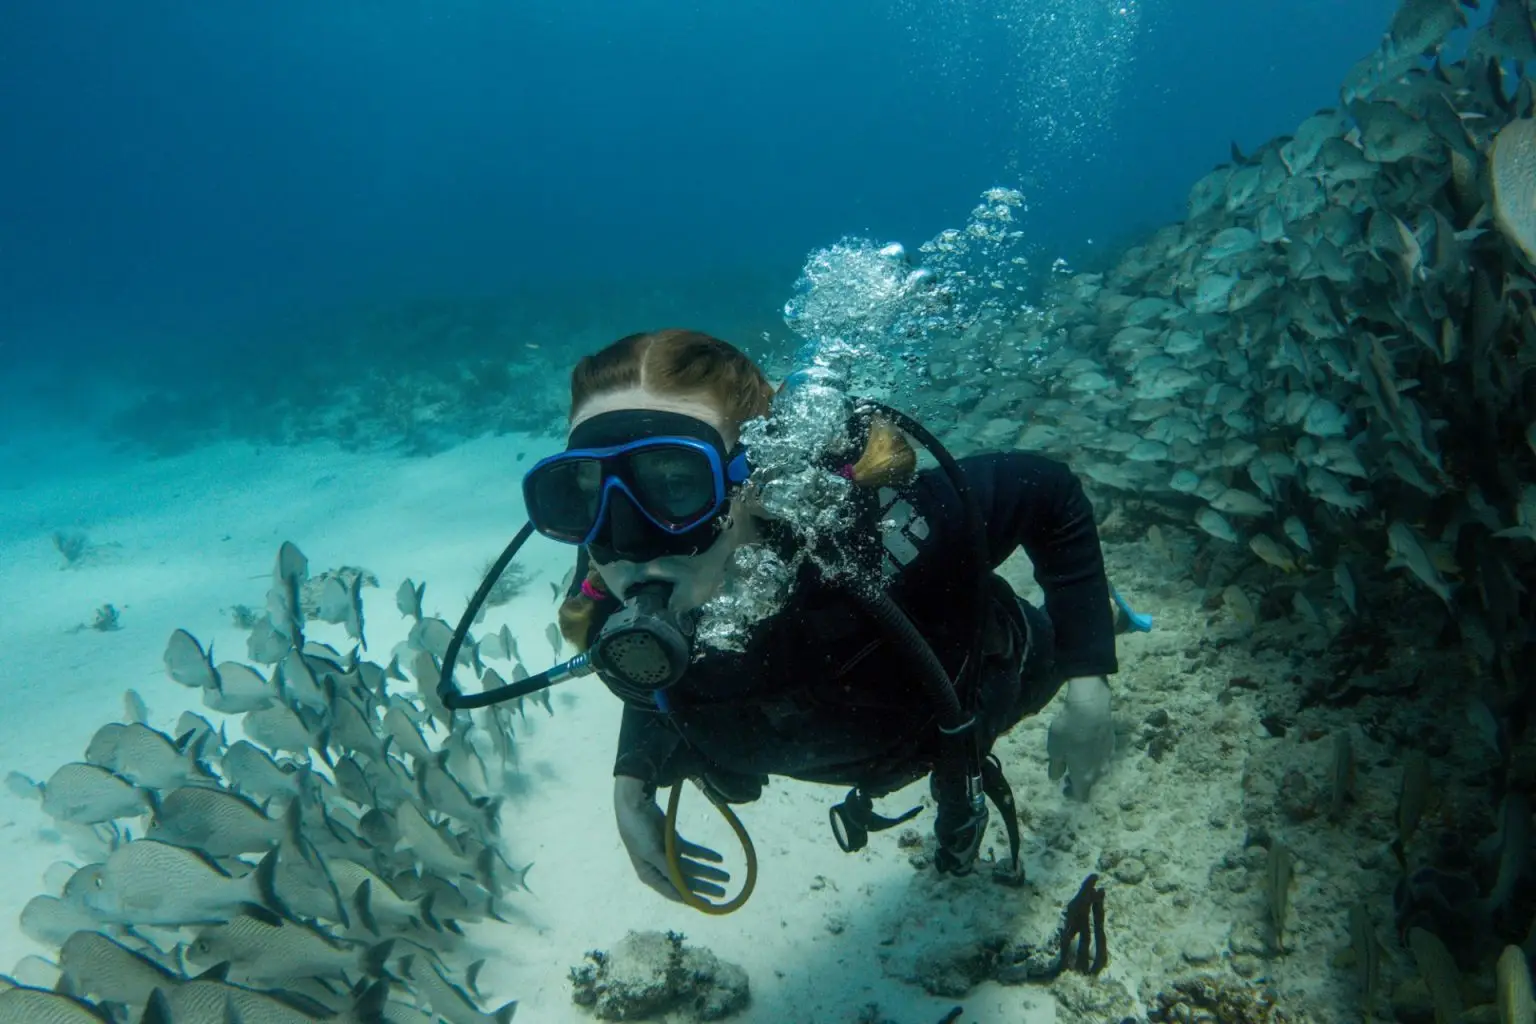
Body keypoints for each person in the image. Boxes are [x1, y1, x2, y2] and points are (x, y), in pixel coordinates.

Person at [527, 328, 1119, 904]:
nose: (627, 541)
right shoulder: (611, 595)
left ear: (755, 476)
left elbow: (1049, 492)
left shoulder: (869, 538)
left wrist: (1088, 680)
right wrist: (632, 784)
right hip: (868, 750)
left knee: (1052, 637)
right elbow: (656, 679)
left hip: (1000, 677)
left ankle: (1113, 618)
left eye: (677, 483)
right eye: (583, 491)